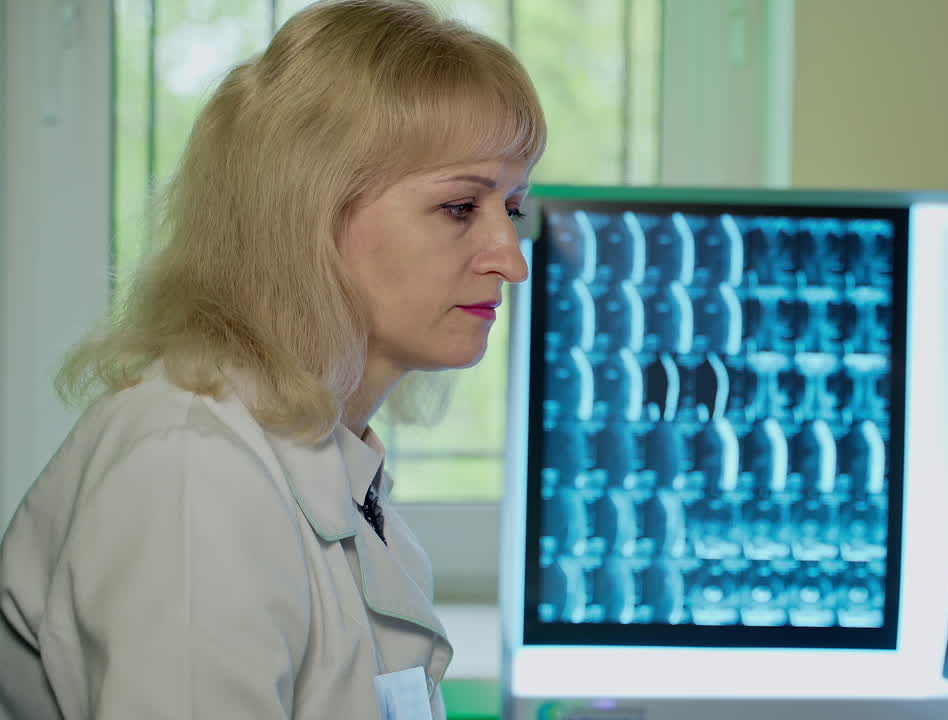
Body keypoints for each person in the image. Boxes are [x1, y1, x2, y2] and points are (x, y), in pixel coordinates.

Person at [0, 0, 545, 717]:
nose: (512, 262)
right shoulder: (192, 470)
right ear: (310, 212)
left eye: (511, 208)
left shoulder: (326, 463)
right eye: (459, 208)